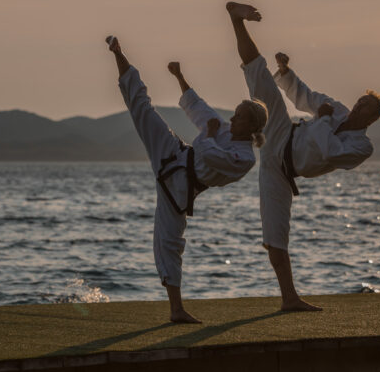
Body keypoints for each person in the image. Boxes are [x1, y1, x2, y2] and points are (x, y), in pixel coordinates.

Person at [225, 2, 380, 311]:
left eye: (365, 107)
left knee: (275, 234)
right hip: (282, 132)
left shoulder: (362, 147)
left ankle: (289, 298)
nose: (357, 106)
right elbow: (307, 97)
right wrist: (286, 73)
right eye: (359, 101)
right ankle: (236, 19)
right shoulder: (337, 109)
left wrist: (322, 119)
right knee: (260, 76)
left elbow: (331, 152)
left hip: (283, 171)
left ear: (371, 118)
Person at [107, 35, 268, 323]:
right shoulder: (225, 129)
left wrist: (210, 132)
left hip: (181, 188)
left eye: (239, 116)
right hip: (173, 153)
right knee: (142, 108)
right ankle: (118, 53)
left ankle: (176, 310)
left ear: (252, 126)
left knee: (169, 243)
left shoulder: (244, 158)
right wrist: (179, 76)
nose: (232, 119)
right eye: (235, 114)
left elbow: (209, 153)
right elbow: (198, 107)